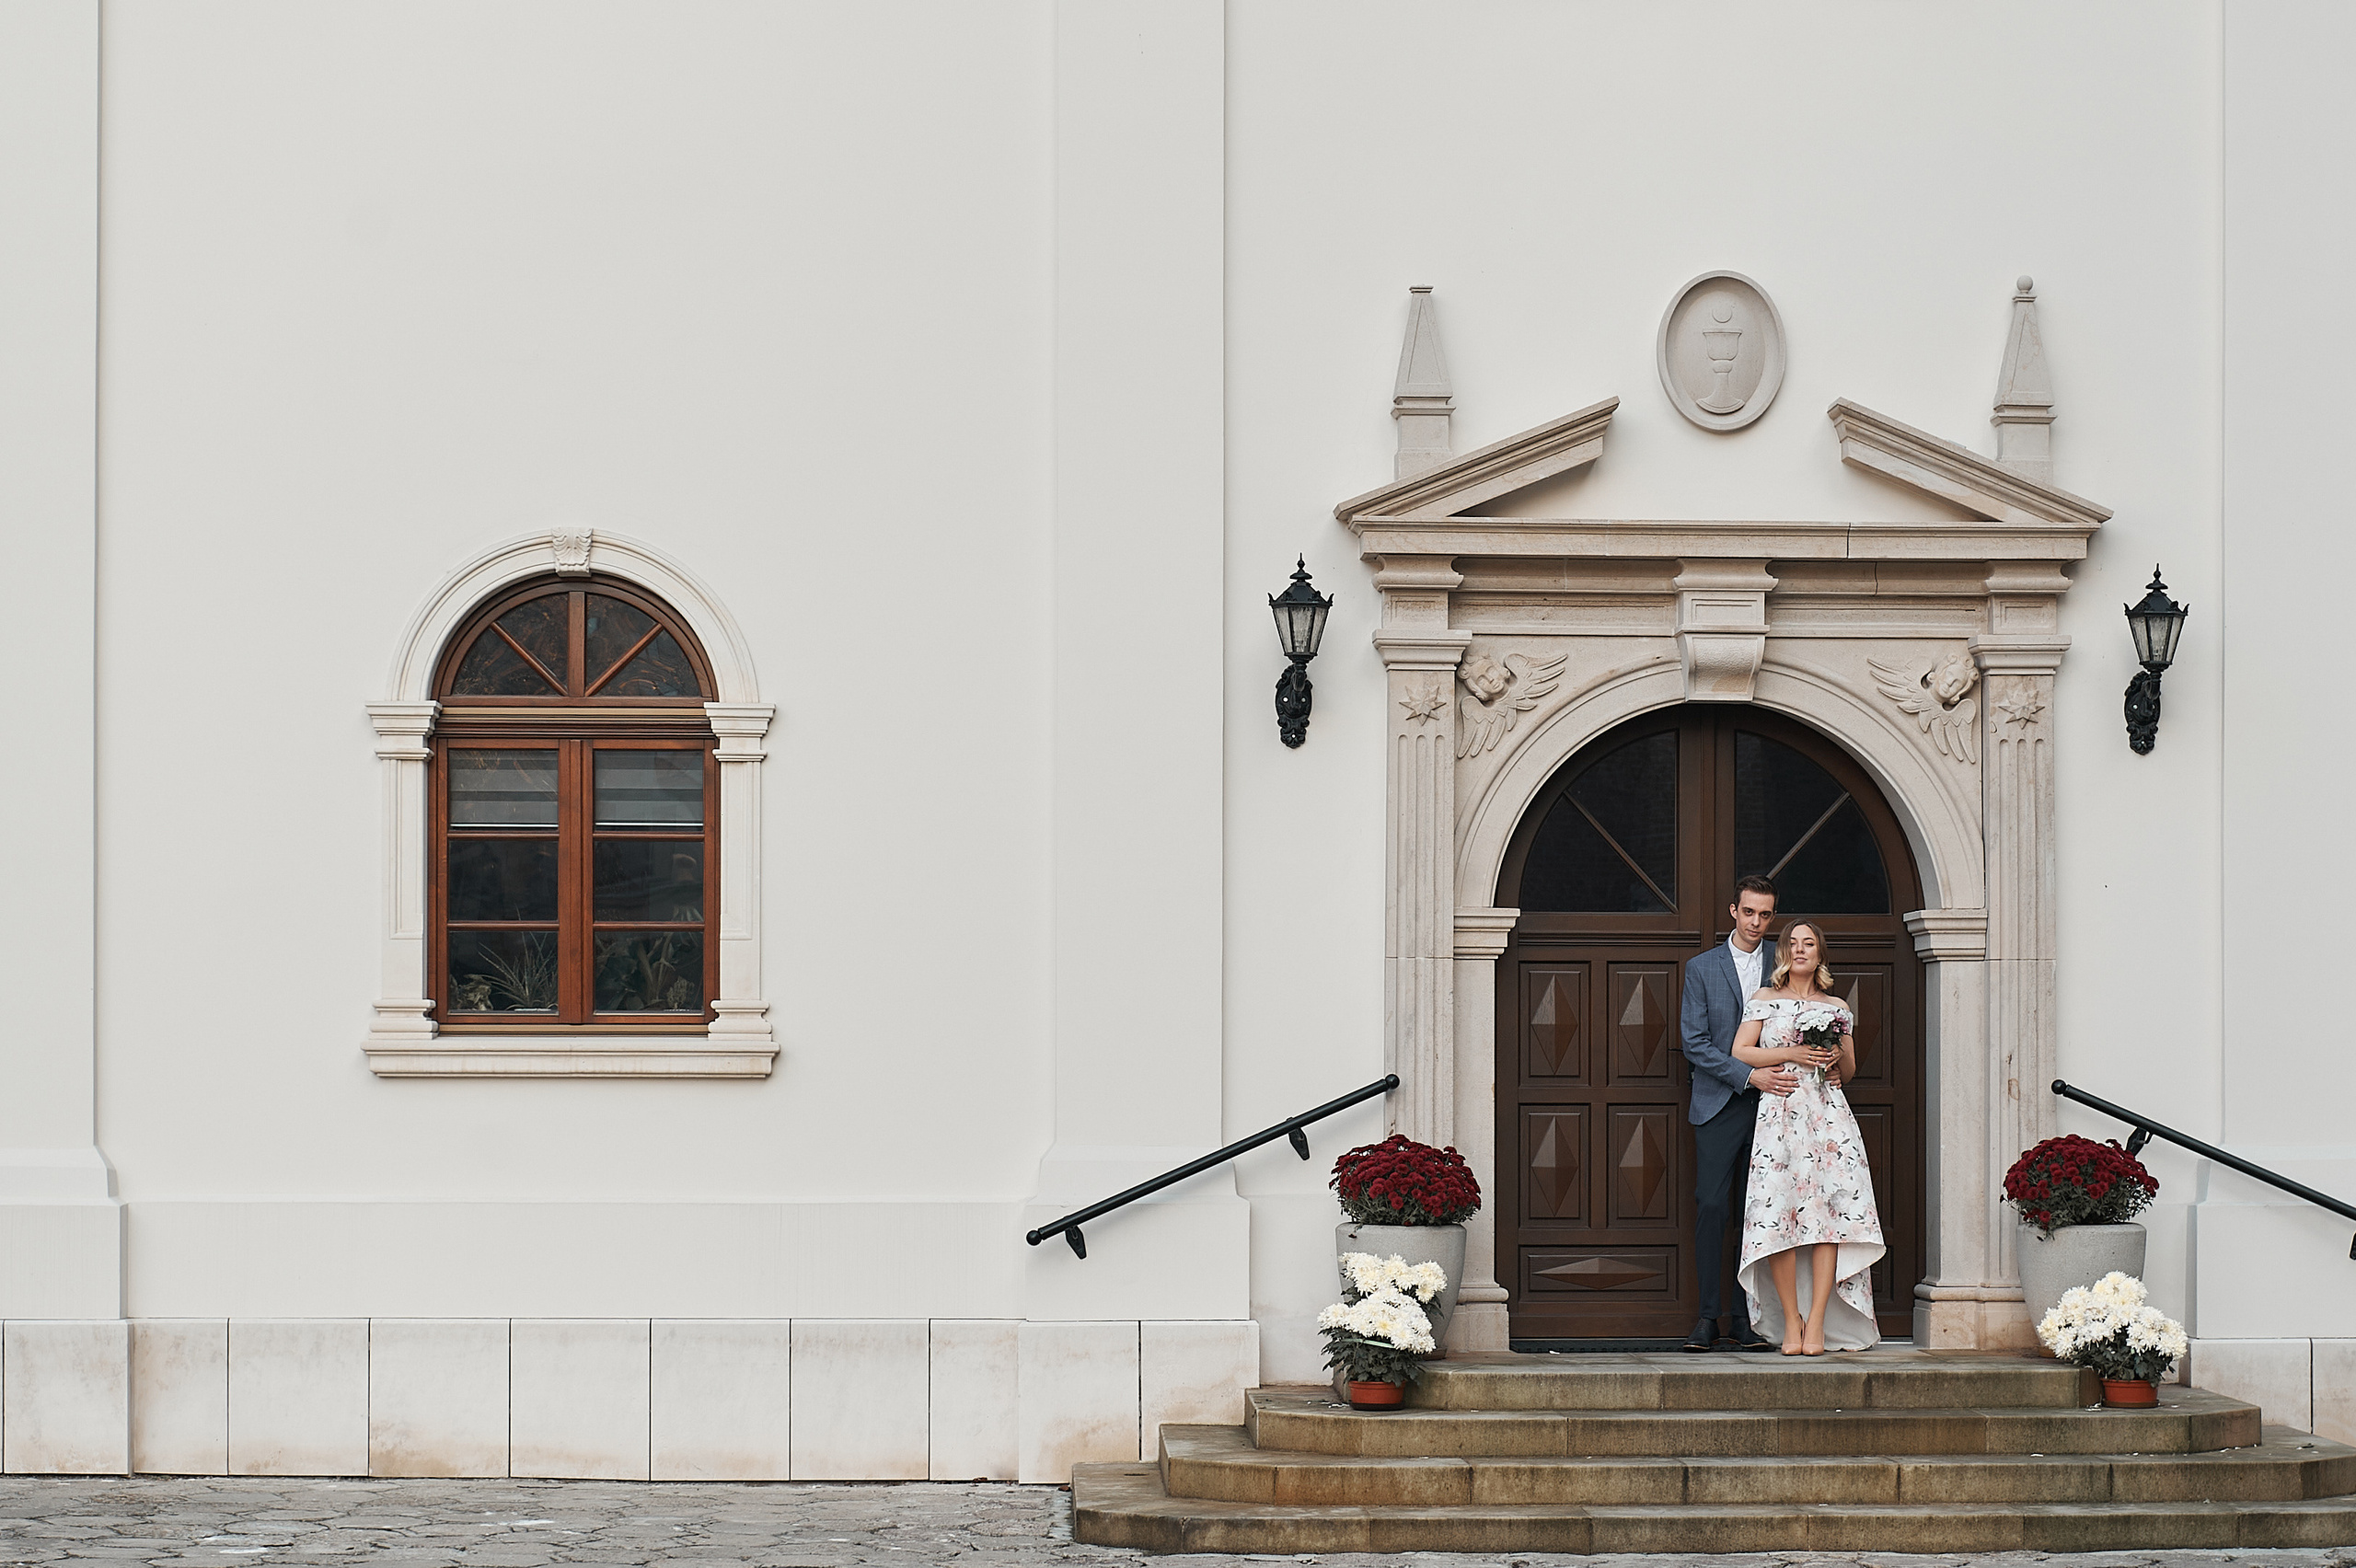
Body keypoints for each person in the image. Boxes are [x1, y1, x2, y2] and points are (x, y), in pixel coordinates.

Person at [1729, 918, 1886, 1354]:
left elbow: (1849, 1071)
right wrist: (1791, 1053)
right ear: (1783, 952)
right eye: (1793, 943)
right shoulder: (1765, 999)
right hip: (1779, 1118)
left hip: (1827, 1121)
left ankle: (1817, 1320)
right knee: (1778, 1217)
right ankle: (1791, 1320)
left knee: (1826, 1219)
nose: (1800, 950)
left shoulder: (1836, 1006)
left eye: (1808, 943)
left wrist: (1836, 1062)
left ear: (1819, 953)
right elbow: (1741, 1051)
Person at [1676, 874, 1796, 1353]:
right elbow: (1696, 1043)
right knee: (1712, 1206)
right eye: (1749, 912)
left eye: (1765, 915)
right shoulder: (1702, 968)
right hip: (1720, 1103)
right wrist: (1748, 1076)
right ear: (1733, 911)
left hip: (1777, 1106)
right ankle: (1708, 1317)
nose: (1756, 922)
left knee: (1759, 1212)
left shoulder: (1784, 965)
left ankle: (1747, 1318)